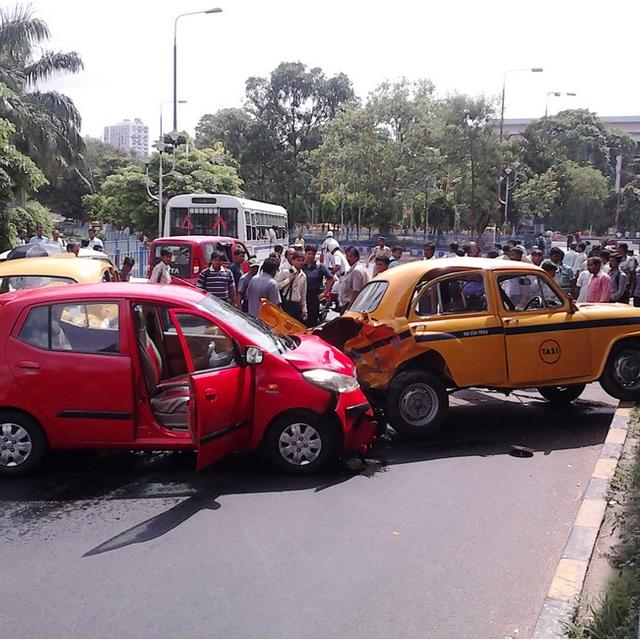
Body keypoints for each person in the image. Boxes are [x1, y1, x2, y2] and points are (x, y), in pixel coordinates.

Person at [302, 244, 334, 327]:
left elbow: (331, 279)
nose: (310, 256)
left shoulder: (319, 266)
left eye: (313, 254)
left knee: (312, 320)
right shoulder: (301, 265)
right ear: (305, 253)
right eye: (309, 253)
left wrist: (324, 293)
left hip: (314, 296)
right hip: (301, 296)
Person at [276, 250, 308, 322]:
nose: (300, 262)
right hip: (287, 304)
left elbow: (303, 294)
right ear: (293, 261)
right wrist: (288, 280)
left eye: (302, 261)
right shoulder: (286, 272)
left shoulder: (303, 275)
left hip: (297, 306)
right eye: (298, 260)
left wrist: (304, 310)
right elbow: (276, 286)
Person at [341, 246, 369, 311]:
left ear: (356, 257)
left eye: (350, 256)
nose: (347, 258)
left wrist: (349, 308)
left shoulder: (356, 270)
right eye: (347, 256)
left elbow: (356, 291)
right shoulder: (353, 269)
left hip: (352, 304)